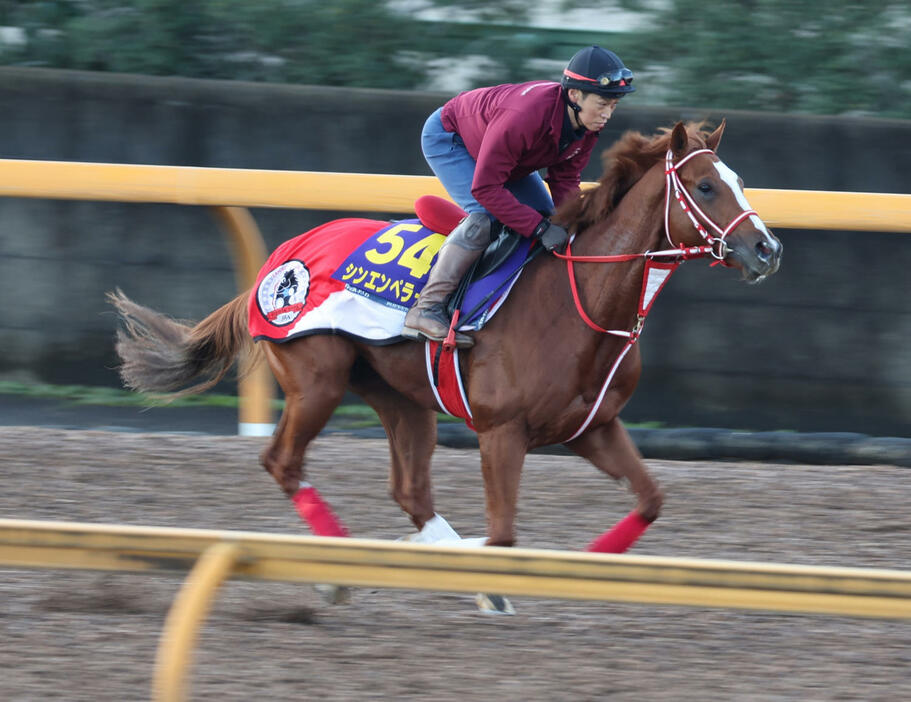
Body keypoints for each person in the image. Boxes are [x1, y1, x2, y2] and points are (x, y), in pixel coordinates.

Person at [401, 45, 635, 348]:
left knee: (546, 214)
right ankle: (426, 308)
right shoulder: (525, 116)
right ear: (575, 96)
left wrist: (572, 224)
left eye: (613, 106)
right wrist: (539, 229)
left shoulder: (587, 124)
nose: (607, 114)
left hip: (507, 157)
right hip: (451, 138)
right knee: (489, 217)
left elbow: (565, 181)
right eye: (603, 103)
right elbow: (485, 188)